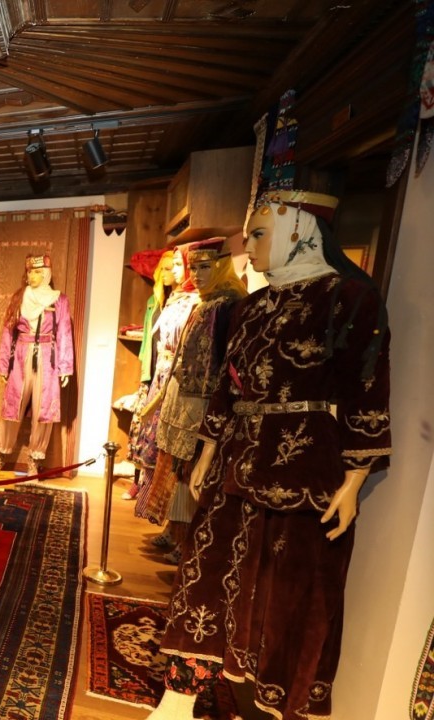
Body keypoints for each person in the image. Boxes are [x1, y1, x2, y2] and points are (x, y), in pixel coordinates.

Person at [147, 189, 390, 720]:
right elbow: (227, 385)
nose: (249, 247)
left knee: (289, 594)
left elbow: (366, 387)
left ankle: (276, 702)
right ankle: (179, 698)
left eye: (259, 234)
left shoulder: (350, 300)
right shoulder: (250, 307)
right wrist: (208, 450)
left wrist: (354, 479)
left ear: (300, 229)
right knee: (205, 576)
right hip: (235, 462)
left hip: (305, 471)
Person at [140, 237, 247, 559]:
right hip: (184, 395)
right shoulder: (205, 301)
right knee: (178, 467)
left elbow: (226, 360)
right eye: (195, 268)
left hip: (204, 401)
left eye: (205, 267)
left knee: (194, 468)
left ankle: (188, 541)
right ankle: (175, 531)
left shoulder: (228, 305)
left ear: (221, 265)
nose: (197, 275)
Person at [128, 247, 198, 511]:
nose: (170, 273)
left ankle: (153, 495)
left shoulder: (190, 301)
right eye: (166, 268)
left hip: (173, 374)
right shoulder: (157, 301)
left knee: (161, 433)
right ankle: (141, 484)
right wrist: (146, 373)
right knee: (145, 429)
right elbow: (150, 340)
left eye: (176, 266)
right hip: (157, 370)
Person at [0, 253, 74, 476]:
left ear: (47, 274)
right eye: (30, 271)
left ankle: (34, 462)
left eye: (38, 272)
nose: (33, 276)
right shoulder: (19, 298)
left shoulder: (59, 300)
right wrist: (4, 364)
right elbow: (8, 331)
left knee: (44, 410)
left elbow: (64, 332)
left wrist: (65, 367)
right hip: (21, 356)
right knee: (12, 407)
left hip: (47, 358)